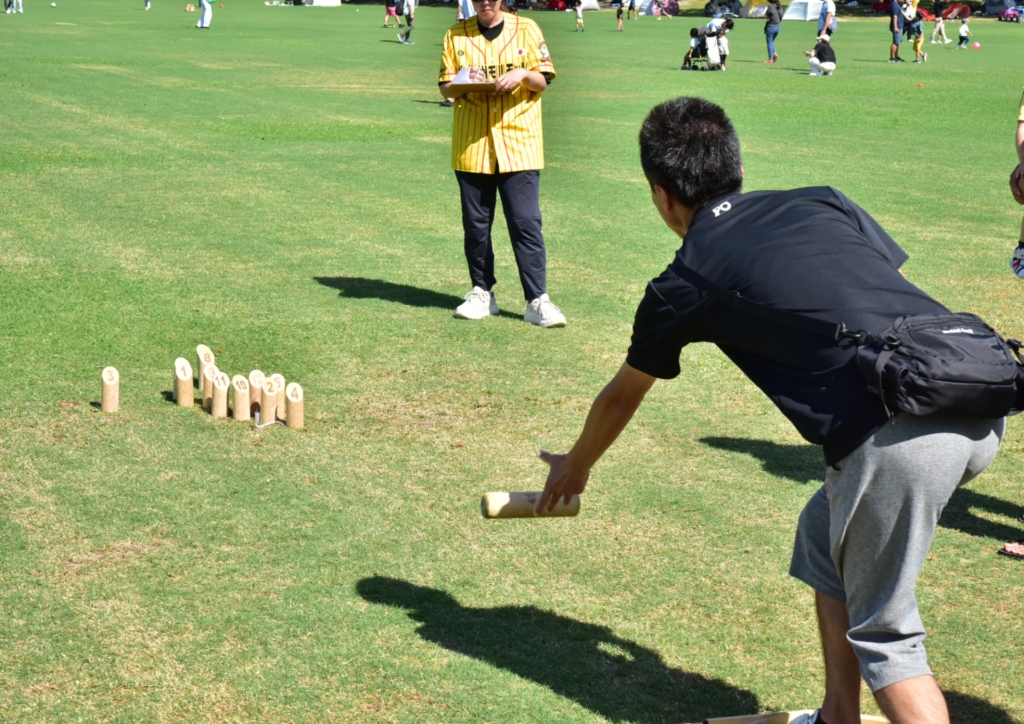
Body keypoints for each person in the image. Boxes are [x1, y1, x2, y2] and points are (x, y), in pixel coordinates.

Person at [534, 96, 1005, 724]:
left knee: (886, 636)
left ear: (661, 196)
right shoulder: (822, 201)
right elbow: (867, 285)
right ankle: (837, 716)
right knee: (823, 533)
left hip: (901, 437)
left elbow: (623, 394)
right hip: (973, 393)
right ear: (738, 169)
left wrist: (576, 466)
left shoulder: (685, 281)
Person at [438, 0, 567, 327]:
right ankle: (482, 293)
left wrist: (522, 73)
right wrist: (465, 80)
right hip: (473, 143)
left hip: (519, 142)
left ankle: (537, 300)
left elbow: (543, 80)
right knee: (476, 225)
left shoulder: (527, 29)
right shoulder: (455, 35)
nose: (485, 2)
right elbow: (446, 89)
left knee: (525, 222)